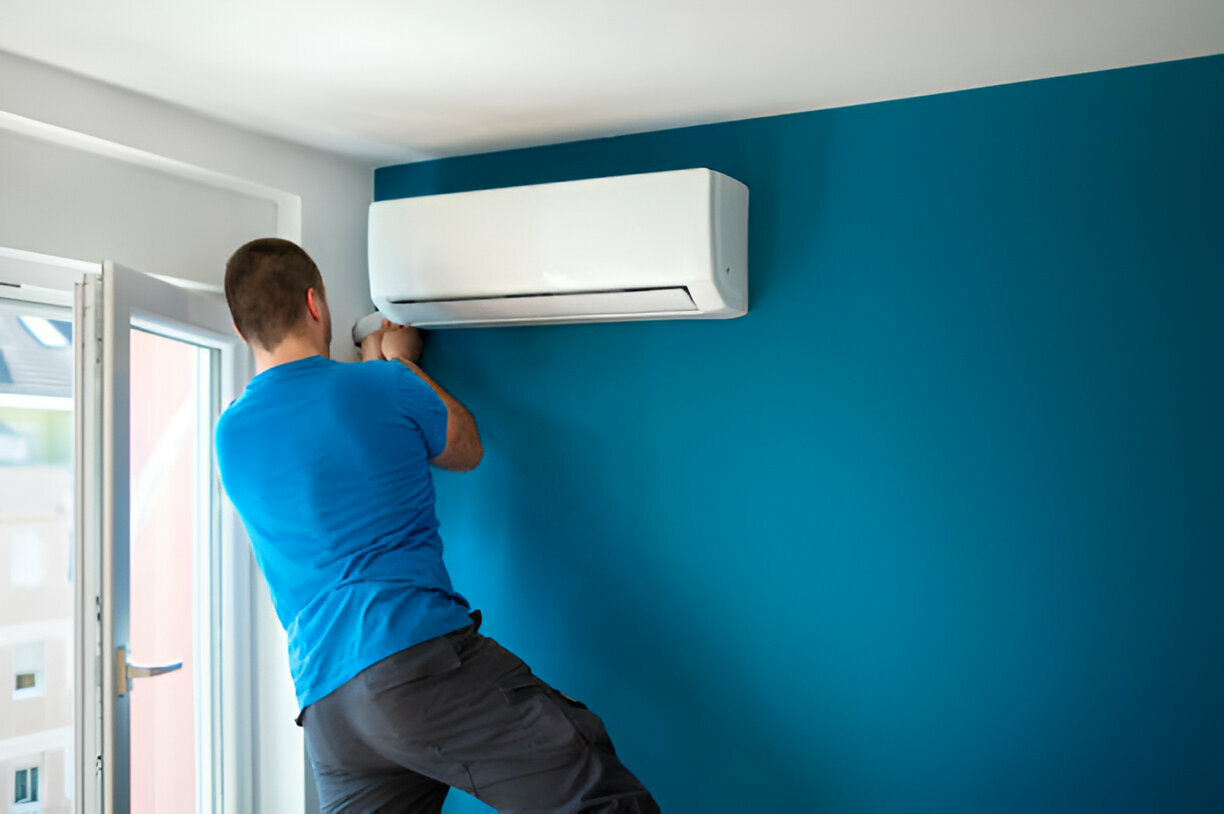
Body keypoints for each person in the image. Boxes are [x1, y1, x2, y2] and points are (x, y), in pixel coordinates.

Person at [214, 238, 659, 814]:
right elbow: (465, 447)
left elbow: (322, 435)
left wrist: (380, 368)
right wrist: (399, 361)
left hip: (329, 709)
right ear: (315, 303)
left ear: (238, 324)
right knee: (598, 794)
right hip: (413, 662)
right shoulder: (387, 387)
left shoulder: (231, 437)